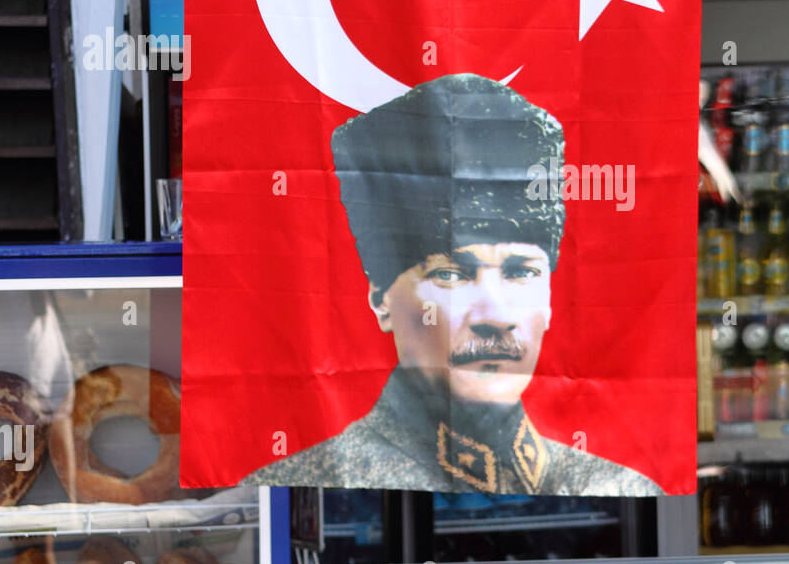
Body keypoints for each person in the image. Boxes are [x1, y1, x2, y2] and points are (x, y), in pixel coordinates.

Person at [243, 74, 662, 495]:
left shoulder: (611, 488)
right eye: (451, 275)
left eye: (522, 272)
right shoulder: (297, 490)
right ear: (380, 298)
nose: (496, 316)